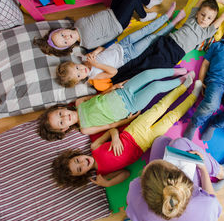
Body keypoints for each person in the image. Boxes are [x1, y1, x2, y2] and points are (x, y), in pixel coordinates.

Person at [51, 79, 202, 188]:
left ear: (76, 155)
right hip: (145, 144)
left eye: (77, 160)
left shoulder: (94, 146)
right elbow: (125, 174)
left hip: (133, 131)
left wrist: (115, 138)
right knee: (171, 118)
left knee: (160, 107)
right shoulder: (103, 174)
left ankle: (183, 87)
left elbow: (112, 130)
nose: (83, 163)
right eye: (79, 168)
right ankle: (193, 96)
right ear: (81, 175)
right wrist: (108, 183)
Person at [110, 0, 224, 84]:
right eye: (203, 14)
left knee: (145, 67)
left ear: (212, 21)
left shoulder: (207, 31)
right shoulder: (192, 18)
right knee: (138, 59)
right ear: (198, 13)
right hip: (164, 41)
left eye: (209, 18)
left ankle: (117, 83)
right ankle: (112, 75)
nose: (205, 19)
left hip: (173, 54)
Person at [55, 2, 186, 90]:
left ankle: (166, 16)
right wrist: (96, 64)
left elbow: (102, 48)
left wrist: (95, 52)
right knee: (152, 38)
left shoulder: (85, 58)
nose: (81, 71)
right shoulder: (94, 76)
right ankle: (173, 22)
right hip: (128, 56)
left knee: (145, 30)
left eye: (77, 68)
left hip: (121, 44)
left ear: (76, 63)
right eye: (78, 75)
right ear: (80, 80)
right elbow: (113, 72)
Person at [38, 68, 194, 141]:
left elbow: (98, 97)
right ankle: (182, 82)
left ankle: (175, 71)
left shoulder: (79, 102)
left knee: (147, 74)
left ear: (61, 108)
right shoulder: (85, 129)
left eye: (60, 113)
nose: (64, 116)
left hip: (121, 91)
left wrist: (113, 87)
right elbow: (108, 126)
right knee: (156, 87)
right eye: (61, 121)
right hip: (130, 106)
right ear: (64, 128)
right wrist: (127, 120)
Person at [124, 136, 224, 221]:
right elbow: (212, 200)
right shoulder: (205, 208)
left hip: (147, 219)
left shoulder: (135, 190)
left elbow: (130, 201)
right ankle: (223, 173)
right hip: (194, 202)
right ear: (180, 176)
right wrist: (203, 170)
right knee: (178, 143)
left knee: (161, 142)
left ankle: (136, 220)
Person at [33, 0, 163, 56]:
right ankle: (143, 16)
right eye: (65, 41)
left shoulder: (77, 22)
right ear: (70, 46)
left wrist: (108, 10)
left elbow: (94, 17)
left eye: (62, 34)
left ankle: (148, 2)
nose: (67, 36)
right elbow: (107, 39)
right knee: (133, 0)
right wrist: (118, 30)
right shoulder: (88, 43)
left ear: (63, 29)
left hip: (111, 12)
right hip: (117, 23)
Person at [183, 16, 224, 141]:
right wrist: (201, 81)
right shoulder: (217, 46)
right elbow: (205, 64)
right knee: (211, 105)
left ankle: (214, 124)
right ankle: (194, 123)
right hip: (215, 82)